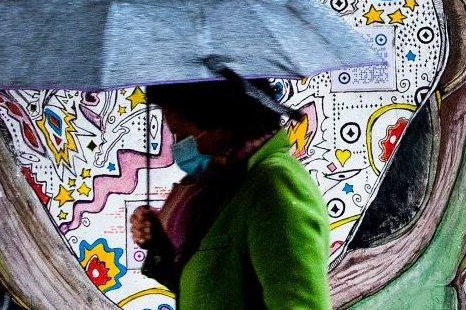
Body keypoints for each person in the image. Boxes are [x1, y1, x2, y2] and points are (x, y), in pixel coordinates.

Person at [131, 77, 331, 309]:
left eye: (181, 134)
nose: (179, 145)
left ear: (215, 118)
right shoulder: (224, 186)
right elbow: (214, 290)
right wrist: (161, 246)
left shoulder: (274, 183)